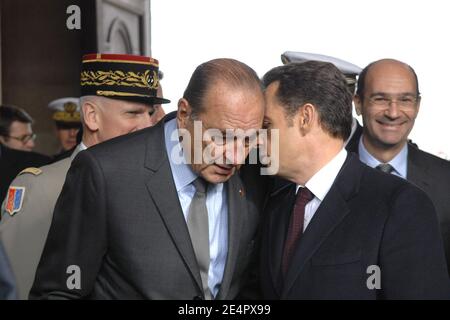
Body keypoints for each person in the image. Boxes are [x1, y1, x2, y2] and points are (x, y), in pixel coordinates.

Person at [30, 58, 267, 300]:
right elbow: (58, 293)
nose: (235, 157)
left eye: (248, 140)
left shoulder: (257, 176)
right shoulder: (104, 173)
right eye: (221, 137)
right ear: (184, 114)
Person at [259, 61, 450, 299]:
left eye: (266, 126)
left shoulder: (401, 206)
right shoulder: (278, 204)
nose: (258, 140)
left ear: (305, 118)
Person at [0, 53, 170, 299]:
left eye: (151, 113)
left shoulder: (159, 186)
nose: (147, 125)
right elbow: (16, 281)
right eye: (133, 113)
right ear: (92, 116)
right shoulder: (44, 188)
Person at [348, 59, 450, 272]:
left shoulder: (446, 180)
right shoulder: (326, 173)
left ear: (417, 106)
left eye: (405, 100)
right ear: (358, 103)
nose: (393, 113)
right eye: (380, 99)